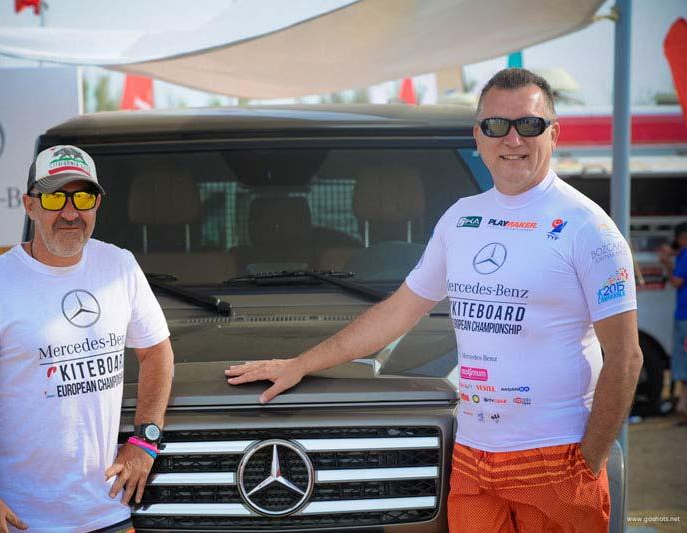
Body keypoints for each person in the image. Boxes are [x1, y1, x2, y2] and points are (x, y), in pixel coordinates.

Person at [226, 68, 642, 533]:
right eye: (496, 125)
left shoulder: (589, 229)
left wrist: (587, 463)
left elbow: (626, 357)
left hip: (556, 458)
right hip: (473, 459)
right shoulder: (460, 219)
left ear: (554, 134)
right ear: (478, 136)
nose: (512, 139)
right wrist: (300, 364)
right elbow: (396, 313)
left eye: (529, 124)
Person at [0, 145, 174, 533]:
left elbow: (158, 353)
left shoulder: (120, 266)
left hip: (110, 510)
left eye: (83, 198)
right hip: (22, 521)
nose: (70, 212)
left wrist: (145, 441)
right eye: (53, 198)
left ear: (97, 204)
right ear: (29, 205)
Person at [659, 222, 687, 422]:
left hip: (684, 316)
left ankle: (682, 406)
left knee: (683, 360)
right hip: (682, 315)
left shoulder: (685, 254)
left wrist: (667, 263)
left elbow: (677, 281)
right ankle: (682, 405)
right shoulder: (683, 254)